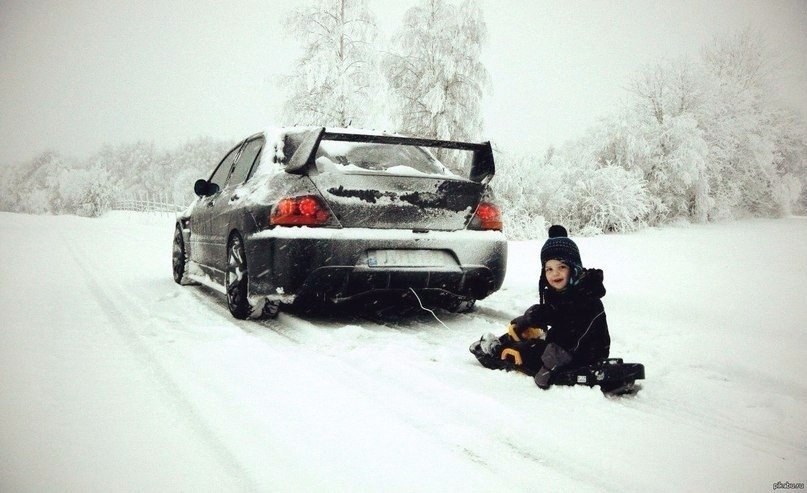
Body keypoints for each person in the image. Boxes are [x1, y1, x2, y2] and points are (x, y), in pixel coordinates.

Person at [470, 225, 611, 389]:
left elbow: (576, 335)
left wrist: (550, 365)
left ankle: (498, 351)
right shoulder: (565, 292)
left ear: (574, 269)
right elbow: (558, 313)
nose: (554, 274)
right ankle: (505, 343)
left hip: (581, 355)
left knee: (530, 351)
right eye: (549, 269)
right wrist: (531, 318)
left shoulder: (587, 299)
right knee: (531, 337)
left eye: (562, 267)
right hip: (562, 347)